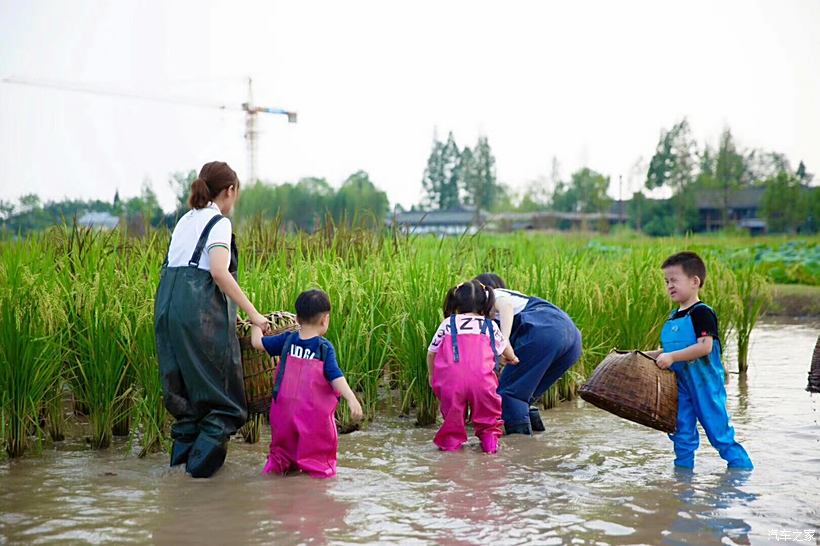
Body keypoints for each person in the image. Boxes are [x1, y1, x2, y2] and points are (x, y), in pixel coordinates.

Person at [154, 161, 269, 478]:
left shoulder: (183, 222)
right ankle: (198, 487)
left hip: (166, 312)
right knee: (222, 406)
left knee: (187, 405)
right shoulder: (219, 223)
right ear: (229, 191)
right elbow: (219, 272)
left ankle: (178, 485)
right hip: (198, 314)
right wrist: (253, 314)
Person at [654, 252, 753, 470]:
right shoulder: (673, 316)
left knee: (718, 432)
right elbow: (673, 349)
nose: (669, 285)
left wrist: (671, 357)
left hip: (705, 383)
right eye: (666, 281)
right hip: (680, 386)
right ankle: (682, 482)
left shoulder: (702, 313)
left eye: (674, 280)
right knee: (681, 434)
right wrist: (655, 354)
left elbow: (704, 346)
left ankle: (742, 471)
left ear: (694, 281)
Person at [250, 289, 363, 478]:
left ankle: (274, 476)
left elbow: (257, 343)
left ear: (296, 318)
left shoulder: (287, 340)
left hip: (282, 414)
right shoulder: (324, 348)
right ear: (325, 319)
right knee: (318, 462)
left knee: (281, 456)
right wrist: (351, 398)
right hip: (312, 417)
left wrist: (255, 323)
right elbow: (335, 376)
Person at [474, 273, 582, 435]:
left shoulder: (492, 295)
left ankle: (521, 453)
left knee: (509, 396)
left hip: (545, 329)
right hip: (571, 338)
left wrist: (505, 341)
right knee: (523, 396)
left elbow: (506, 307)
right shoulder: (516, 302)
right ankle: (536, 445)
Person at [427, 280, 517, 454]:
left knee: (452, 421)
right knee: (489, 420)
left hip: (451, 382)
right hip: (483, 382)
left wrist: (432, 376)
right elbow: (504, 346)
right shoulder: (489, 325)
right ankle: (490, 448)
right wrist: (512, 358)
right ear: (485, 303)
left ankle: (451, 451)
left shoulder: (448, 324)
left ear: (456, 302)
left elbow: (431, 353)